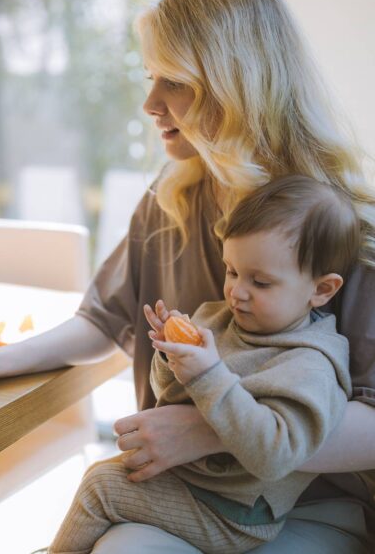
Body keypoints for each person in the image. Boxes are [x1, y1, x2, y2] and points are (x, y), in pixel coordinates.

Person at [0, 0, 375, 552]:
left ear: (236, 85)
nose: (150, 104)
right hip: (189, 487)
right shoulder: (172, 197)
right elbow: (104, 319)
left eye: (176, 82)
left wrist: (209, 429)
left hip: (307, 503)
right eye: (150, 79)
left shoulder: (341, 228)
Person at [47, 175, 357, 554]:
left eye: (260, 282)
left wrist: (209, 375)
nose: (236, 292)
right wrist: (171, 356)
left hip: (236, 513)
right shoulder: (220, 318)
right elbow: (172, 397)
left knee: (100, 489)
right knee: (105, 477)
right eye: (232, 271)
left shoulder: (311, 363)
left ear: (322, 290)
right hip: (196, 484)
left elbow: (276, 455)